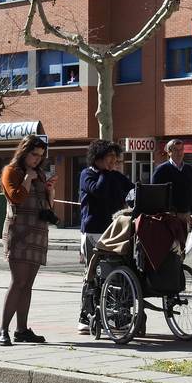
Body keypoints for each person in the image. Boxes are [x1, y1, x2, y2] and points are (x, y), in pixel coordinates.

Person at [0, 134, 56, 346]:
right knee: (18, 282)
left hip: (37, 232)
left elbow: (48, 207)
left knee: (28, 284)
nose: (37, 159)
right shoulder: (10, 171)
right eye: (34, 154)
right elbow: (16, 197)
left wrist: (50, 192)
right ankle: (3, 329)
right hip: (19, 232)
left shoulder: (39, 173)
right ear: (24, 151)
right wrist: (28, 179)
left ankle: (21, 330)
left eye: (40, 156)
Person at [76, 140, 134, 334]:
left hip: (115, 230)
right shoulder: (87, 175)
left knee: (116, 273)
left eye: (115, 158)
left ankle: (117, 316)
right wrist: (105, 173)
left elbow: (133, 190)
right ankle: (86, 316)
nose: (114, 161)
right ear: (98, 157)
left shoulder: (115, 176)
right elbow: (99, 191)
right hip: (93, 231)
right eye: (110, 157)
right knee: (93, 275)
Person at [151, 138, 192, 227]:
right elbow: (155, 194)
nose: (179, 153)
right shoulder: (161, 170)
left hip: (186, 215)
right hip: (169, 216)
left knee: (184, 241)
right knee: (169, 241)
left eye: (181, 150)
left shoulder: (189, 169)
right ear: (169, 152)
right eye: (176, 150)